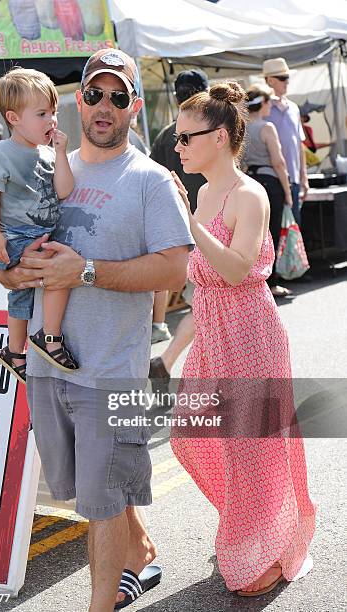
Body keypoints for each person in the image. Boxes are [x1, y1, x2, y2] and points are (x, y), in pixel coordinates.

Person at [0, 48, 193, 612]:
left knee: (100, 505)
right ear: (79, 100)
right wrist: (11, 269)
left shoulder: (150, 180)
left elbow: (176, 268)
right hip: (48, 368)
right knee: (89, 493)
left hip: (110, 370)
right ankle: (142, 553)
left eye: (119, 96)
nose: (105, 105)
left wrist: (87, 271)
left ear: (132, 108)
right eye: (95, 94)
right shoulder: (44, 165)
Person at [169, 81, 316, 597]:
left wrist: (188, 223)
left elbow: (234, 271)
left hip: (252, 336)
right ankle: (252, 529)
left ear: (221, 136)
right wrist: (168, 354)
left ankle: (259, 548)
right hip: (214, 336)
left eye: (187, 138)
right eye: (178, 138)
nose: (179, 147)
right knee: (194, 437)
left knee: (252, 451)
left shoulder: (248, 194)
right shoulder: (205, 194)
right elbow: (203, 294)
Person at [0, 68, 77, 385]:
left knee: (20, 296)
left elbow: (63, 190)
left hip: (38, 234)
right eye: (42, 114)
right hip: (13, 236)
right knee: (59, 273)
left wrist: (60, 152)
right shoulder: (0, 152)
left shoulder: (49, 153)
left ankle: (14, 351)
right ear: (14, 117)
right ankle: (50, 339)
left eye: (53, 112)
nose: (51, 120)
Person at [149, 70, 208, 355]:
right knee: (208, 297)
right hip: (209, 226)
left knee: (200, 296)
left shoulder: (164, 136)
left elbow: (152, 180)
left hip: (178, 226)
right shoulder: (212, 132)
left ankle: (165, 338)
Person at [243, 84, 293, 298]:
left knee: (255, 235)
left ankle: (256, 280)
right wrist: (288, 192)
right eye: (268, 102)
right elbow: (279, 162)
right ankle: (271, 283)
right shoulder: (266, 128)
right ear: (262, 103)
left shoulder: (242, 129)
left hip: (249, 182)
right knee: (271, 234)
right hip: (270, 182)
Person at [263, 58, 309, 226]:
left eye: (287, 77)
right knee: (273, 231)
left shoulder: (294, 108)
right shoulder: (261, 109)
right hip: (270, 180)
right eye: (282, 78)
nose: (287, 82)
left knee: (293, 230)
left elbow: (299, 145)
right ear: (269, 80)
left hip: (293, 180)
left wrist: (304, 177)